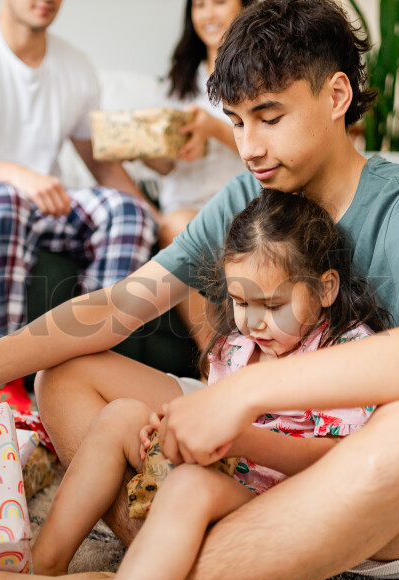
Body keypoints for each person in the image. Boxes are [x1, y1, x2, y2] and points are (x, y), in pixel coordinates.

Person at [0, 1, 399, 580]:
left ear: (336, 97)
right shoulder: (252, 194)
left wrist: (244, 394)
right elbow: (119, 305)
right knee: (67, 376)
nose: (248, 148)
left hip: (374, 487)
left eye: (270, 118)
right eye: (237, 121)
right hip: (248, 468)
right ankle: (192, 568)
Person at [30, 190, 389, 580]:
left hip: (279, 524)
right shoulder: (236, 347)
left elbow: (340, 461)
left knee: (191, 487)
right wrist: (169, 432)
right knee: (122, 415)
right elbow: (208, 421)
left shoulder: (345, 352)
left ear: (325, 289)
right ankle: (47, 567)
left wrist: (240, 439)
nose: (253, 322)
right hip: (213, 488)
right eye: (240, 302)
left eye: (273, 305)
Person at [0, 0, 157, 405]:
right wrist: (16, 174)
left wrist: (156, 218)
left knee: (128, 213)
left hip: (40, 205)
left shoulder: (75, 65)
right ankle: (6, 383)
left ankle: (89, 359)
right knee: (4, 202)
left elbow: (104, 168)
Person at [145, 0, 252, 350]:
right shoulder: (179, 80)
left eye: (219, 3)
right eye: (199, 5)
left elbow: (271, 146)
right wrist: (147, 151)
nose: (208, 14)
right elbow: (167, 166)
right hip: (185, 203)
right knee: (175, 227)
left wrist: (214, 128)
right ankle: (216, 353)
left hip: (240, 204)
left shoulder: (261, 73)